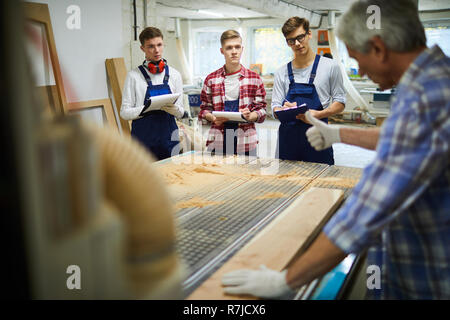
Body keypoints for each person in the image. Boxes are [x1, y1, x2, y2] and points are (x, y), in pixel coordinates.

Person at [222, 0, 450, 299]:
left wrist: (286, 281)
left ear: (379, 48)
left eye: (357, 59)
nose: (362, 72)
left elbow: (364, 212)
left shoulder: (428, 99)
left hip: (423, 279)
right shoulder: (432, 81)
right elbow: (401, 138)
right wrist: (338, 133)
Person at [271, 17, 345, 164]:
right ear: (287, 42)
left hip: (318, 135)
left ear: (309, 34)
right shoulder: (281, 72)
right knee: (287, 182)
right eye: (291, 40)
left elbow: (340, 102)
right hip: (289, 139)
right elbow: (274, 107)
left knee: (321, 182)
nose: (297, 44)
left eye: (300, 37)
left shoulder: (330, 67)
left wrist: (320, 114)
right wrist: (283, 109)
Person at [198, 30, 266, 156]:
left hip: (246, 141)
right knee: (217, 175)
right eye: (229, 48)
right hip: (218, 141)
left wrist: (251, 116)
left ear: (242, 49)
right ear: (222, 51)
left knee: (245, 176)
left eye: (237, 47)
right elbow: (204, 110)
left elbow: (262, 111)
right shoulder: (211, 79)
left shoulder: (254, 79)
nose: (234, 51)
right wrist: (212, 118)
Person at [121, 27, 184, 160]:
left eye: (159, 45)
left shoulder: (175, 75)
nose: (156, 50)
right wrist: (146, 108)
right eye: (151, 46)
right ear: (142, 48)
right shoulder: (133, 76)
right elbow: (125, 113)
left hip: (169, 140)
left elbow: (181, 112)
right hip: (143, 142)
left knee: (173, 178)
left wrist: (174, 109)